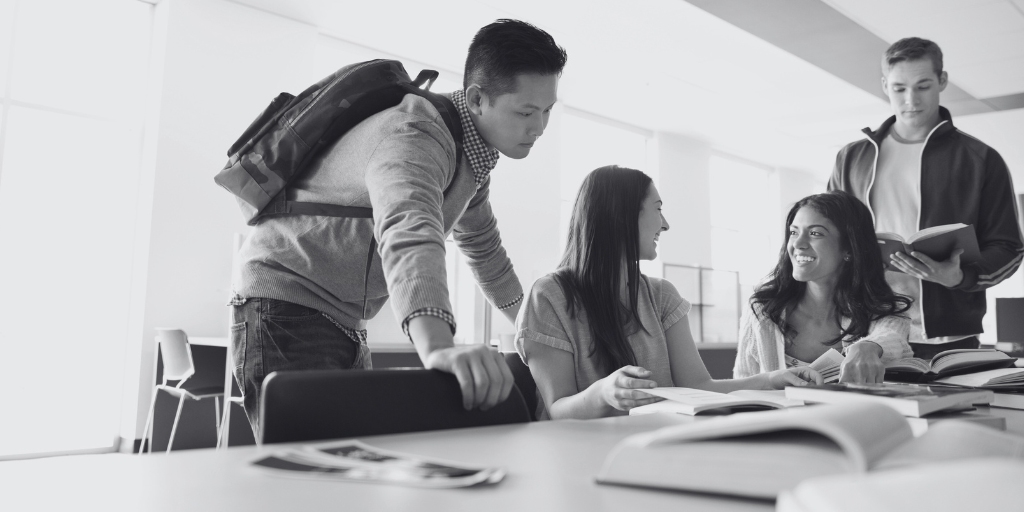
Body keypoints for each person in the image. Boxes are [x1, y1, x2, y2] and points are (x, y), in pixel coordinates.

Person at [229, 19, 568, 433]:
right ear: (478, 99)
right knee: (315, 485)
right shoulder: (417, 133)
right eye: (526, 111)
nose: (539, 128)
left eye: (548, 111)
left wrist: (532, 334)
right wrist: (439, 348)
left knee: (349, 476)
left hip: (342, 320)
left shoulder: (471, 160)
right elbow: (409, 228)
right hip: (287, 307)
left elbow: (485, 252)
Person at [514, 166, 821, 420]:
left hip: (658, 442)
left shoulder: (662, 296)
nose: (666, 224)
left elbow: (699, 386)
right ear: (620, 216)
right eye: (658, 210)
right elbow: (557, 410)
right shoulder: (549, 296)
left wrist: (769, 380)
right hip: (578, 452)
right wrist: (603, 393)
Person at [829, 37, 1023, 360]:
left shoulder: (981, 159)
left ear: (942, 81)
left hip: (949, 337)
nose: (910, 100)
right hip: (868, 331)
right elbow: (832, 236)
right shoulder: (852, 158)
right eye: (898, 88)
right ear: (884, 85)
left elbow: (1010, 248)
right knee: (875, 414)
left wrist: (959, 276)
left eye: (923, 86)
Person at [734, 191, 913, 384]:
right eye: (794, 232)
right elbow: (743, 384)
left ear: (849, 249)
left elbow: (893, 338)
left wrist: (868, 347)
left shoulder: (882, 310)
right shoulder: (762, 309)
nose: (798, 244)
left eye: (815, 233)